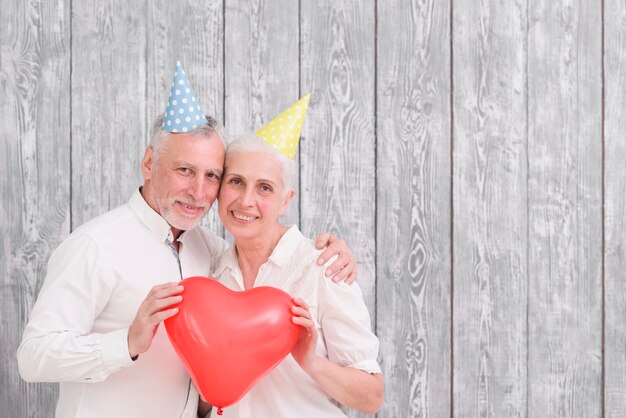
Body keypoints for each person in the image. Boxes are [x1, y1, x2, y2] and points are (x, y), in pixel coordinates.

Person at [16, 64, 357, 418]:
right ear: (149, 163)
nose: (198, 192)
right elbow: (33, 357)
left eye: (212, 176)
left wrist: (333, 253)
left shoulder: (208, 249)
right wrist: (126, 342)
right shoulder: (95, 245)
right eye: (184, 170)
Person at [203, 95, 383, 417]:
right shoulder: (212, 272)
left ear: (285, 200)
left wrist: (309, 361)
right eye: (236, 182)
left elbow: (371, 397)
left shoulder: (323, 266)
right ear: (219, 189)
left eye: (265, 188)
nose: (246, 200)